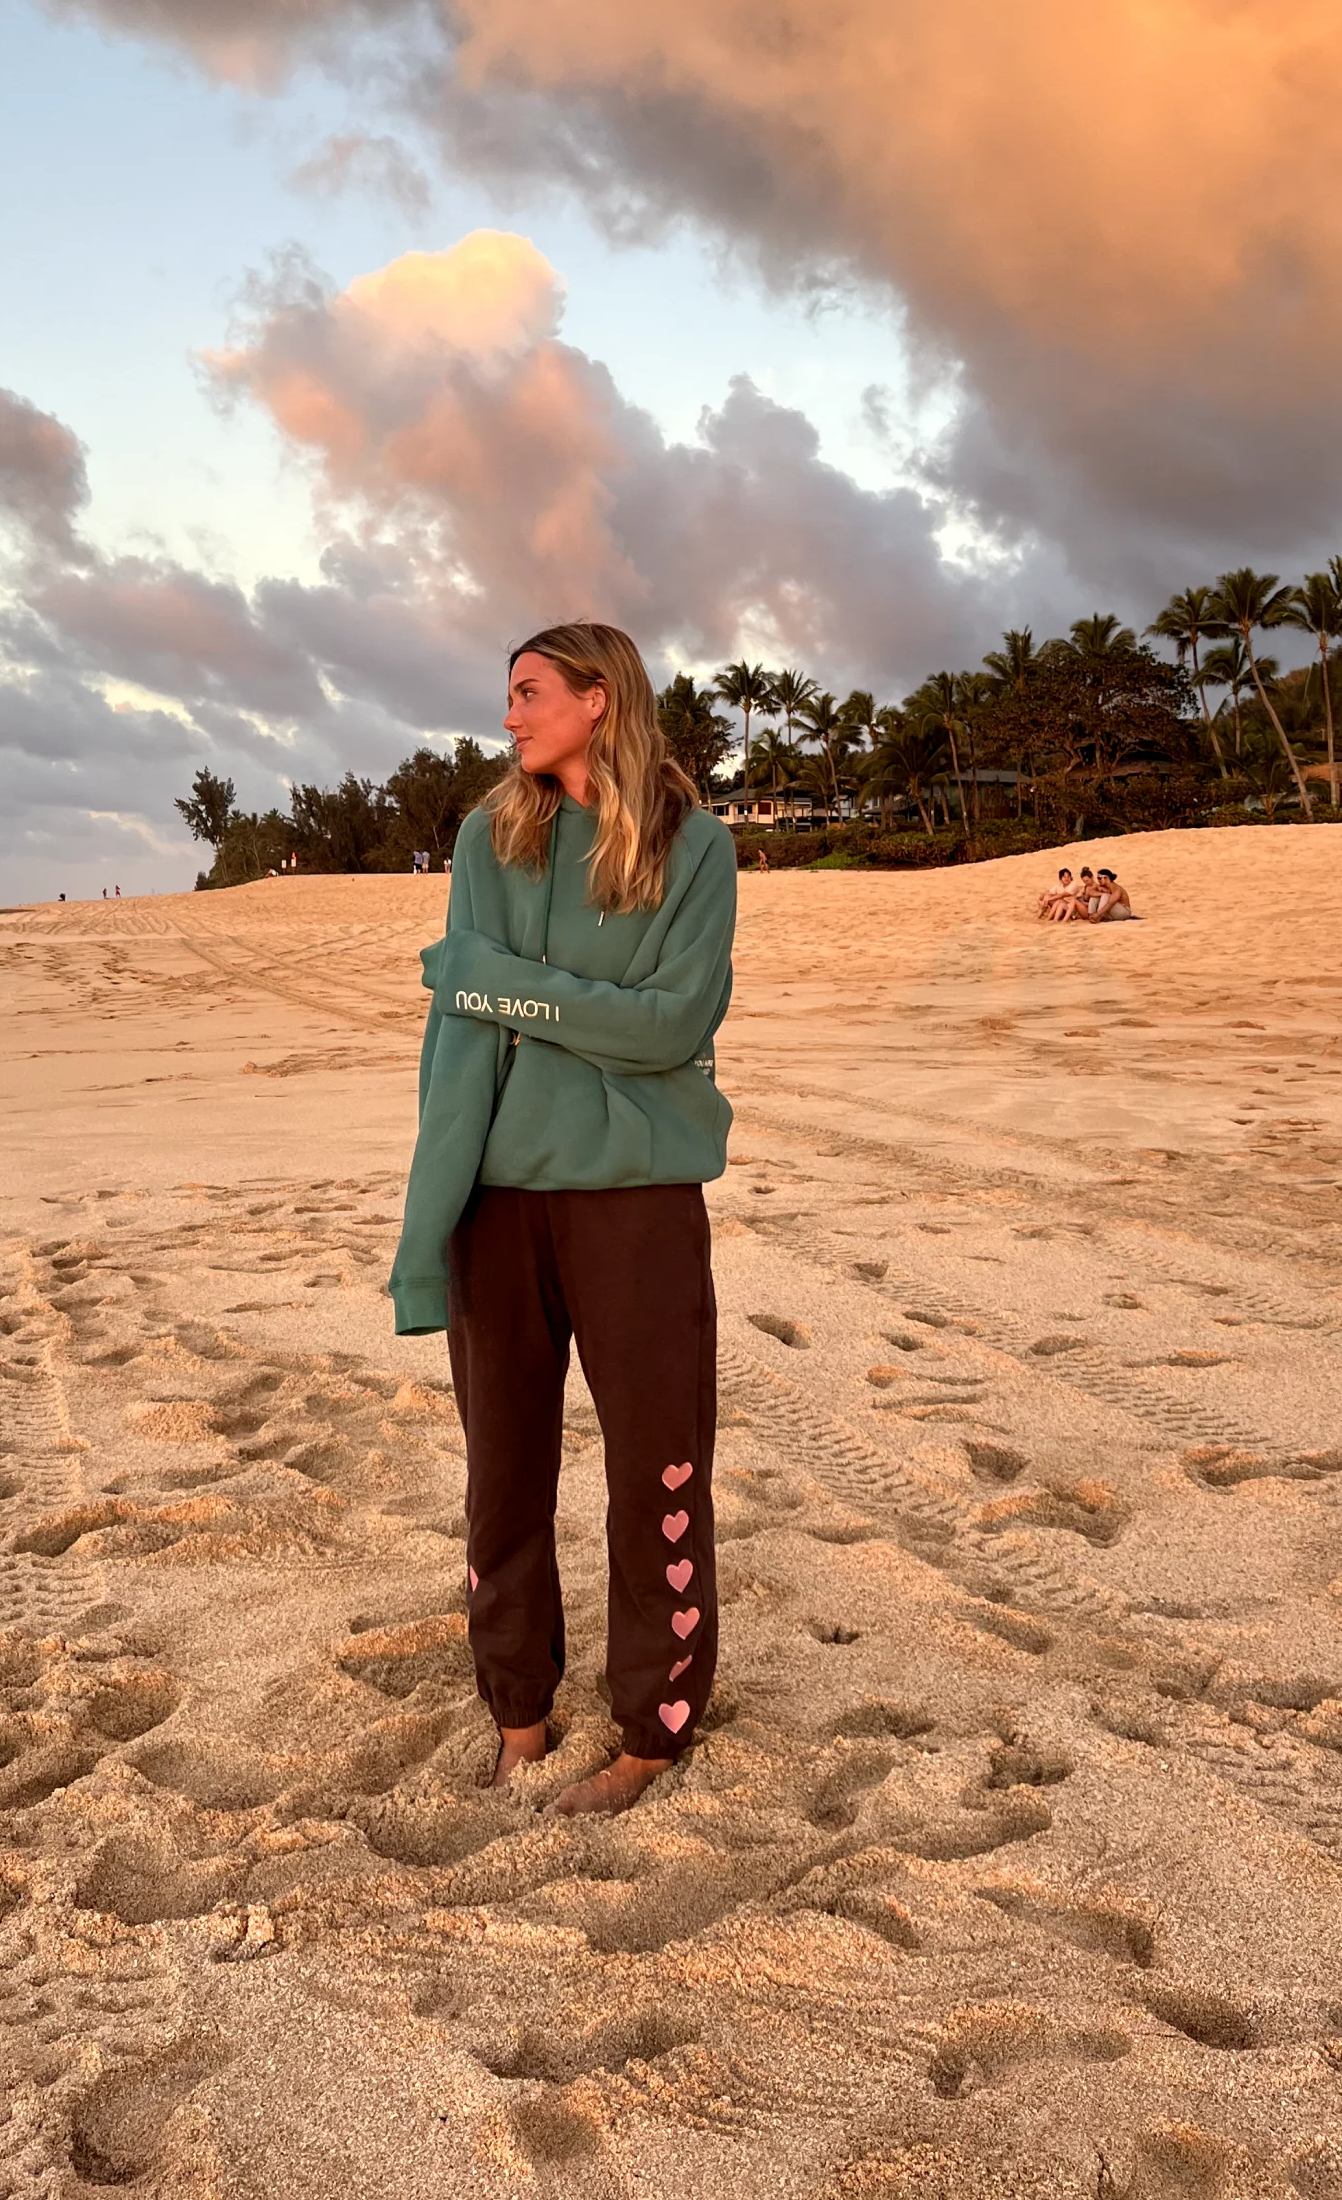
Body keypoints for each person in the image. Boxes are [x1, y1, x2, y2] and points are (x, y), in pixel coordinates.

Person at [388, 622, 736, 1820]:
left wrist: (505, 983)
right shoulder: (490, 839)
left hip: (637, 1202)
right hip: (498, 1201)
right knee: (504, 1472)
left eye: (529, 692)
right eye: (507, 695)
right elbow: (459, 1040)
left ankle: (652, 1727)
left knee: (658, 1466)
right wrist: (426, 1220)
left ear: (598, 699)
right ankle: (518, 1715)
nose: (510, 716)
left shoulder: (697, 848)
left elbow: (671, 1028)